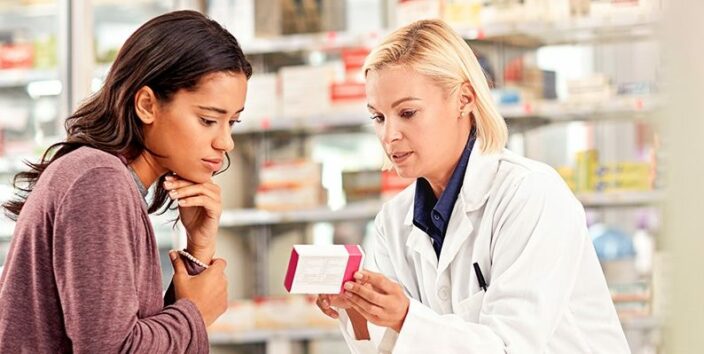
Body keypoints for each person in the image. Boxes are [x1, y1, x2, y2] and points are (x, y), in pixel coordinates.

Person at [314, 19, 630, 353]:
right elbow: (388, 348)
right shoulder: (393, 222)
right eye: (378, 117)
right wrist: (356, 307)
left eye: (407, 112)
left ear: (464, 99)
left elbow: (510, 346)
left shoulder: (531, 195)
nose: (389, 135)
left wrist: (407, 318)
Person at [0, 10, 249, 353]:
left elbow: (136, 334)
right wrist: (196, 314)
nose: (225, 142)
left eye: (232, 122)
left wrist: (198, 251)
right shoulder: (98, 180)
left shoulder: (105, 178)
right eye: (208, 120)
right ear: (147, 105)